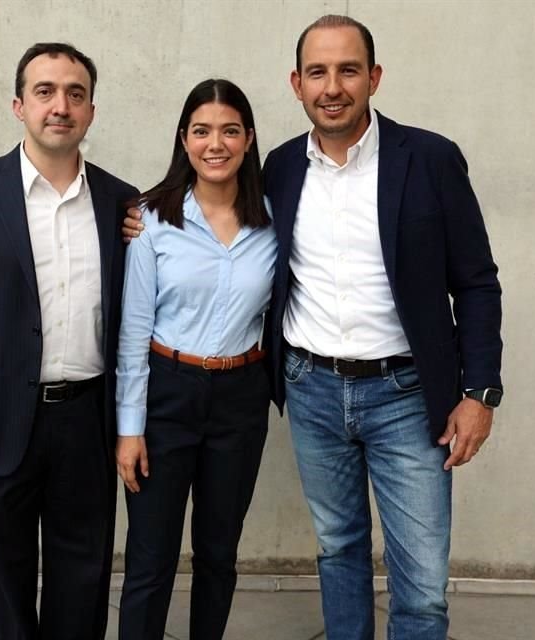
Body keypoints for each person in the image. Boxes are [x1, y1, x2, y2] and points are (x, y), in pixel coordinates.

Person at [125, 15, 502, 640]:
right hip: (312, 390)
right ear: (297, 84)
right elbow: (204, 203)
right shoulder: (280, 171)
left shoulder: (430, 159)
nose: (333, 86)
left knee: (423, 583)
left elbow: (477, 282)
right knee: (338, 551)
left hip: (407, 395)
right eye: (318, 72)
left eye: (348, 70)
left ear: (374, 77)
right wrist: (132, 215)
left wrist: (479, 390)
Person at [0, 42, 137, 640]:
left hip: (89, 422)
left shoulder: (124, 202)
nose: (59, 106)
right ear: (19, 105)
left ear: (91, 110)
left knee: (83, 576)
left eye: (74, 93)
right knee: (8, 579)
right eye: (44, 92)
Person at [114, 79, 276, 640]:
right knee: (151, 559)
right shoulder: (151, 220)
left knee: (217, 554)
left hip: (240, 397)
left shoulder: (274, 221)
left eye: (230, 130)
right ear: (184, 140)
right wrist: (130, 429)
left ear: (249, 139)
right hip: (166, 392)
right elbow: (133, 331)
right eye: (202, 131)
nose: (216, 143)